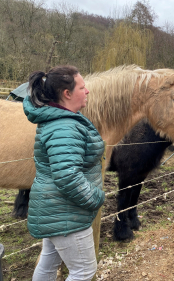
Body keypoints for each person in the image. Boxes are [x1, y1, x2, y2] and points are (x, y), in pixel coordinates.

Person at [23, 65, 105, 281]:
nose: (87, 91)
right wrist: (95, 197)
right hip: (67, 212)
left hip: (55, 209)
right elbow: (67, 176)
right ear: (67, 94)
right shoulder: (65, 126)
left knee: (49, 262)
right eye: (82, 87)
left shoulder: (61, 120)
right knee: (84, 271)